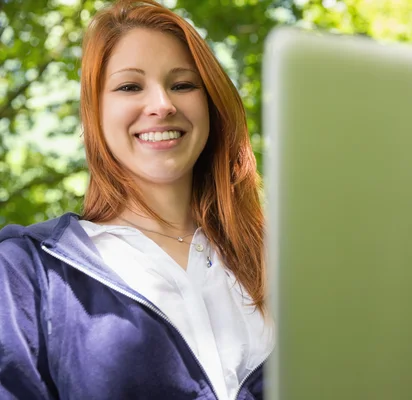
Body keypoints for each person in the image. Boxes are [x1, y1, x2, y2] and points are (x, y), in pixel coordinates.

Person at [0, 0, 273, 399]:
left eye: (183, 84)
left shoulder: (285, 262)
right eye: (130, 86)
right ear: (96, 114)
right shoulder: (28, 273)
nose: (162, 105)